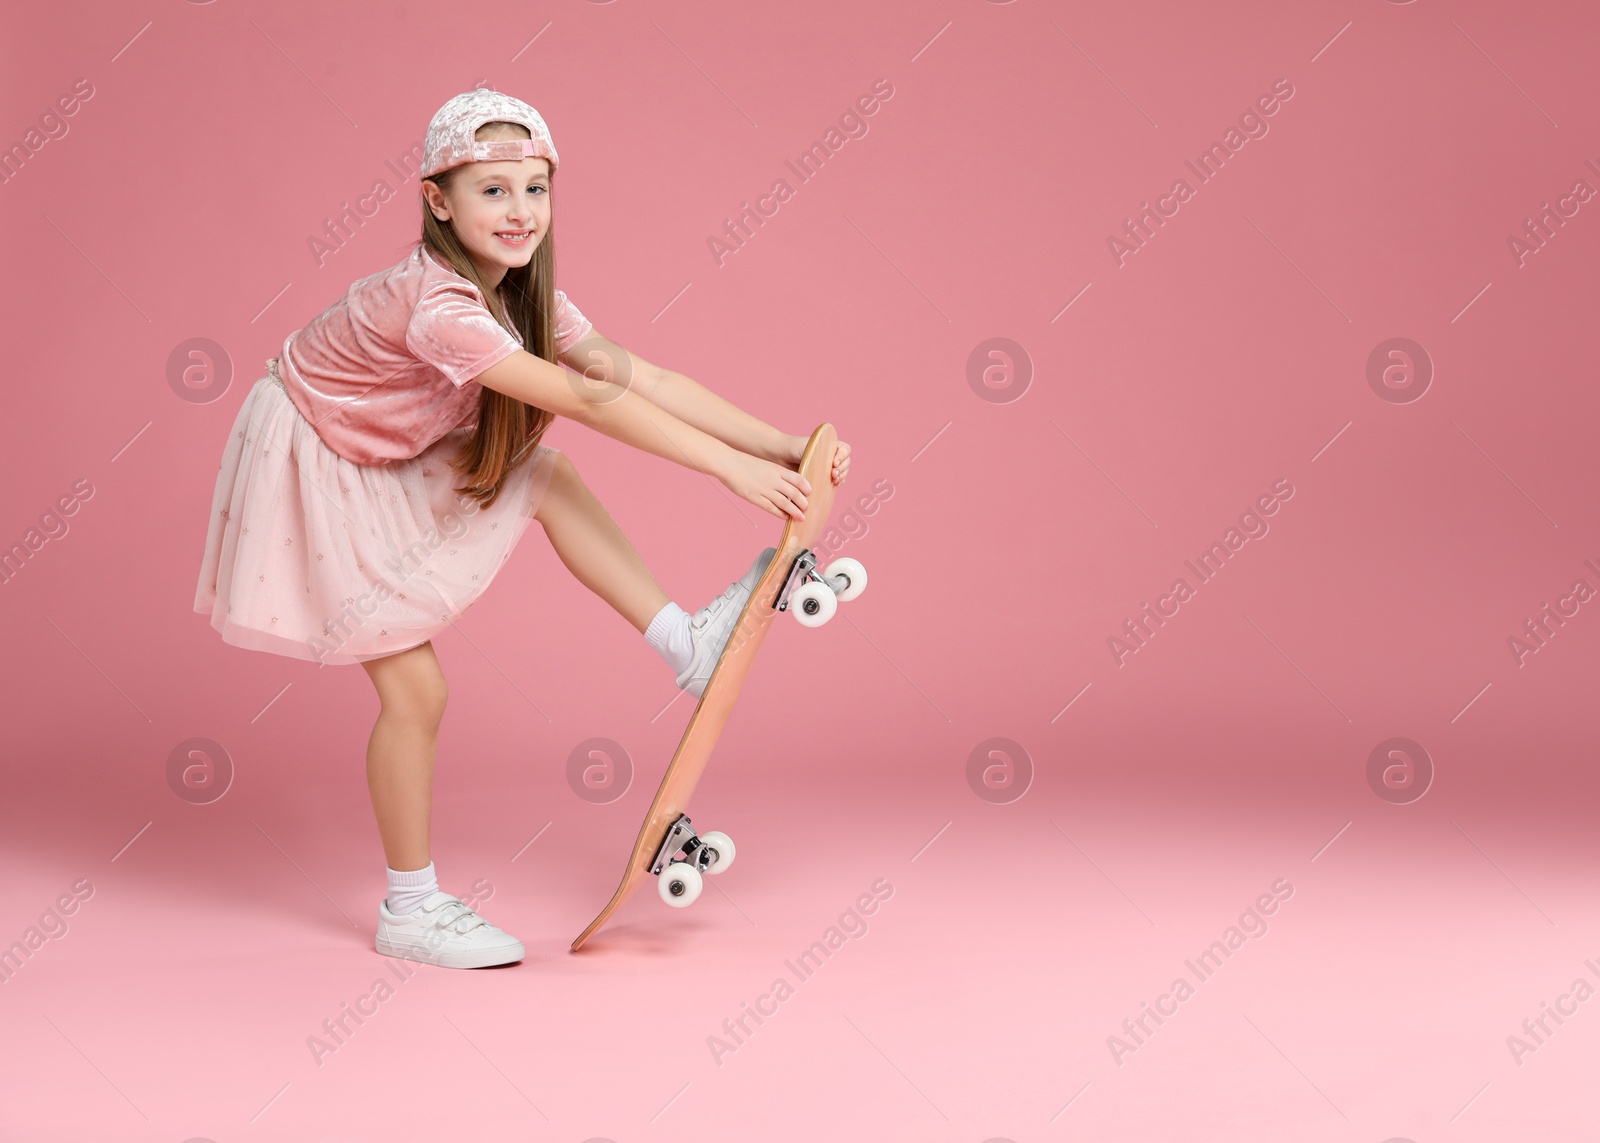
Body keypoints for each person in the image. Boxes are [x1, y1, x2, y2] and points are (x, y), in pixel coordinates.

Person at [192, 89, 851, 969]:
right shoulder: (441, 307)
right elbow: (586, 399)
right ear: (439, 200)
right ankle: (411, 909)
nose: (518, 212)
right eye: (492, 190)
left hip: (381, 447)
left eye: (534, 189)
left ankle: (687, 645)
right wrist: (730, 472)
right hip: (314, 458)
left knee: (546, 471)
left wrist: (779, 443)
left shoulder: (521, 294)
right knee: (418, 692)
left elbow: (636, 374)